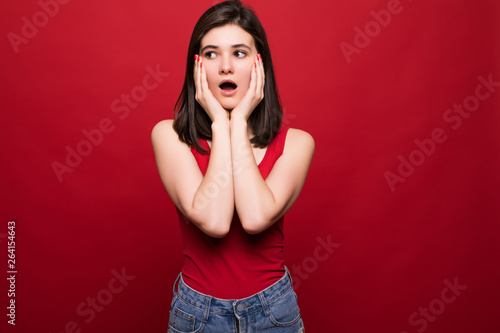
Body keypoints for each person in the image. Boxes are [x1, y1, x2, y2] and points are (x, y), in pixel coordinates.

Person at [151, 1, 314, 331]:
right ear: (196, 67)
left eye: (239, 53)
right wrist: (220, 125)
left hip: (274, 313)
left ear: (259, 64)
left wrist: (237, 122)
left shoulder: (298, 143)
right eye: (211, 54)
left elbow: (255, 218)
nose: (225, 66)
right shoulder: (169, 136)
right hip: (198, 314)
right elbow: (215, 221)